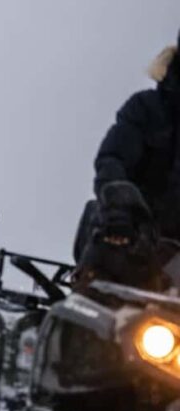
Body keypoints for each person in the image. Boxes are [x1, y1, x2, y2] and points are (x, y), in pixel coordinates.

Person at [74, 31, 180, 289]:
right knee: (110, 246)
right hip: (132, 237)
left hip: (175, 264)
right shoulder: (147, 108)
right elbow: (113, 159)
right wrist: (119, 204)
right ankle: (88, 297)